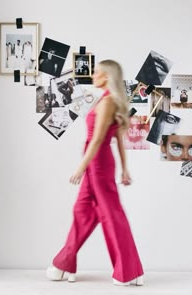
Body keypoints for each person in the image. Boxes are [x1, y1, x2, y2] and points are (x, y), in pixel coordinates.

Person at [46, 60, 144, 285]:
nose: (94, 75)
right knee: (82, 211)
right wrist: (125, 168)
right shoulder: (107, 100)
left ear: (108, 76)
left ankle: (129, 271)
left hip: (97, 164)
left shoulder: (109, 101)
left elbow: (100, 139)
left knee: (111, 214)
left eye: (98, 72)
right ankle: (64, 263)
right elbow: (118, 139)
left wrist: (81, 167)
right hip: (96, 162)